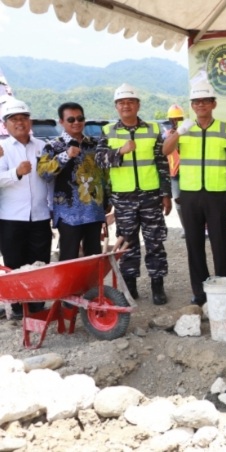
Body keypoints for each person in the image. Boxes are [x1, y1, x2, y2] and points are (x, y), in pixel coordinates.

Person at [95, 83, 172, 305]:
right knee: (127, 243)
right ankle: (130, 287)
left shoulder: (153, 129)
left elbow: (162, 162)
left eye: (130, 102)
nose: (126, 106)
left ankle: (157, 285)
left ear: (138, 105)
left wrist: (165, 193)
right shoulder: (108, 130)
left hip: (151, 196)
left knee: (155, 241)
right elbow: (100, 160)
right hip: (124, 197)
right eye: (121, 102)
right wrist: (120, 151)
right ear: (116, 106)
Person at [162, 80, 226, 306]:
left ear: (214, 103)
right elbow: (165, 150)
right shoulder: (183, 129)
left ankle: (224, 287)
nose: (201, 105)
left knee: (220, 243)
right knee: (194, 244)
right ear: (192, 105)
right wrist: (178, 133)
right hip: (190, 194)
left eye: (205, 101)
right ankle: (200, 292)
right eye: (196, 101)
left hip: (216, 193)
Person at [0, 98, 52, 319]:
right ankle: (18, 308)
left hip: (40, 215)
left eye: (23, 118)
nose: (19, 122)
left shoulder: (43, 147)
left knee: (40, 262)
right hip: (11, 217)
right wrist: (16, 173)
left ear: (30, 121)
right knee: (14, 262)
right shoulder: (2, 149)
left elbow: (51, 179)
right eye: (14, 119)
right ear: (6, 124)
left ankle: (37, 307)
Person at [37, 102, 109, 261]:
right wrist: (66, 156)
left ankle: (92, 279)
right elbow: (44, 173)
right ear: (61, 122)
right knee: (69, 259)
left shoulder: (95, 144)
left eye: (80, 118)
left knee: (94, 259)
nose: (76, 122)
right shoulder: (53, 146)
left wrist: (107, 201)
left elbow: (105, 175)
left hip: (94, 211)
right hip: (68, 214)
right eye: (71, 119)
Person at [164, 104, 185, 237]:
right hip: (174, 174)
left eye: (179, 119)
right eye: (174, 119)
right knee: (178, 203)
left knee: (191, 202)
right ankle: (186, 227)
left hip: (188, 173)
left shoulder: (188, 134)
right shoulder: (167, 135)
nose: (176, 122)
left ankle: (195, 227)